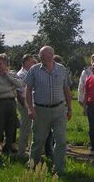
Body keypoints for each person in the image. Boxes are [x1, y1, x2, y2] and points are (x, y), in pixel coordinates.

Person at [25, 46, 72, 174]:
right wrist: (30, 108)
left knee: (61, 140)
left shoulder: (62, 69)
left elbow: (67, 90)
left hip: (59, 110)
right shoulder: (34, 70)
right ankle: (32, 166)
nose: (40, 57)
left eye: (42, 54)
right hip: (40, 110)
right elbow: (28, 90)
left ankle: (59, 169)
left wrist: (70, 108)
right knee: (38, 140)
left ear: (51, 55)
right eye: (40, 55)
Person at [0, 53, 24, 154]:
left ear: (6, 64)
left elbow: (20, 84)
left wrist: (8, 76)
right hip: (0, 103)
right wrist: (10, 88)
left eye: (0, 63)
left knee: (11, 128)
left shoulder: (13, 73)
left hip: (11, 103)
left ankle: (6, 150)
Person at [16, 54, 37, 156]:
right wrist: (26, 107)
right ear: (25, 62)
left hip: (29, 104)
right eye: (31, 61)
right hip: (24, 104)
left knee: (31, 128)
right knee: (25, 128)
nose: (33, 63)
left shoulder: (28, 73)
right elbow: (19, 92)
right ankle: (21, 152)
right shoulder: (21, 75)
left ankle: (30, 150)